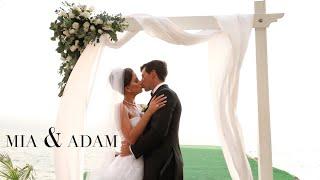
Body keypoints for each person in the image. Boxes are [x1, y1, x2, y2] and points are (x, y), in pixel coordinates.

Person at [89, 67, 167, 180]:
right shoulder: (120, 107)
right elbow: (130, 138)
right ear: (127, 88)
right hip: (130, 164)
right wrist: (149, 111)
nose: (140, 82)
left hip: (143, 158)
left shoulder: (140, 107)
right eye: (136, 80)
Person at [121, 60, 183, 180]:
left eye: (143, 76)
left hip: (164, 165)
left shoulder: (164, 94)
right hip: (159, 164)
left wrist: (131, 150)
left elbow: (157, 132)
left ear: (153, 74)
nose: (141, 80)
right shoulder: (159, 95)